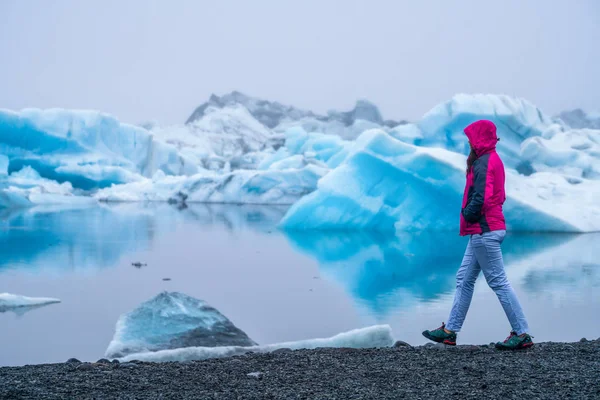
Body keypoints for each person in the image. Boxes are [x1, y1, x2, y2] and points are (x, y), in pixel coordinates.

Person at [422, 120, 533, 350]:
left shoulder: (484, 162)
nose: (470, 142)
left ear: (480, 139)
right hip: (484, 230)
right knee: (464, 279)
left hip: (485, 230)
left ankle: (522, 333)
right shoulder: (492, 160)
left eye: (472, 138)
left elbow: (481, 196)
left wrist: (467, 213)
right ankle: (450, 331)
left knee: (498, 282)